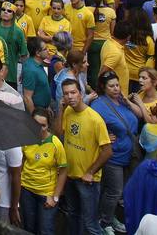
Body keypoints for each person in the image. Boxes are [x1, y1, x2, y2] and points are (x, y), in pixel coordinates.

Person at [89, 69, 142, 235]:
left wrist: (129, 101)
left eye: (117, 85)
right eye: (111, 86)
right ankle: (104, 222)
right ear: (103, 87)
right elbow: (92, 127)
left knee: (115, 191)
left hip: (129, 153)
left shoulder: (122, 100)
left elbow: (139, 116)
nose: (116, 88)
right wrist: (105, 134)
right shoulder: (98, 105)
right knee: (114, 191)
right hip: (114, 156)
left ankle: (109, 217)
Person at [60, 77, 112, 235]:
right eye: (66, 94)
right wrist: (60, 110)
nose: (70, 97)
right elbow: (58, 133)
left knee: (90, 223)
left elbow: (108, 151)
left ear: (80, 93)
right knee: (73, 215)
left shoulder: (95, 119)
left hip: (87, 181)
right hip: (70, 176)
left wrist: (90, 172)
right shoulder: (68, 111)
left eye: (73, 92)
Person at [18, 111, 67, 235]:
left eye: (43, 125)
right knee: (29, 227)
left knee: (45, 230)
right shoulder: (25, 138)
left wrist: (55, 197)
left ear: (48, 125)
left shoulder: (55, 143)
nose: (39, 128)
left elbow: (63, 171)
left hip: (46, 194)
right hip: (27, 191)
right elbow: (22, 163)